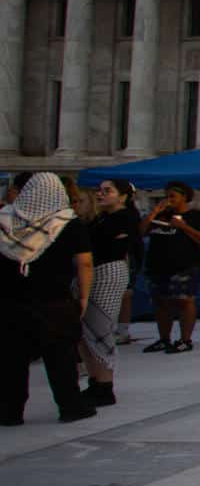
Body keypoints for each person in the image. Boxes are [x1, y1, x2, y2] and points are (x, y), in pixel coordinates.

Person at [0, 173, 97, 424]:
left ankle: (10, 411)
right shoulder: (66, 222)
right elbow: (84, 262)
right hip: (55, 301)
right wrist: (84, 296)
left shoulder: (5, 219)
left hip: (11, 300)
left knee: (12, 359)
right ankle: (70, 406)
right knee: (61, 356)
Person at [79, 178, 141, 406]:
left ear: (122, 195)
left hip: (108, 272)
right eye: (100, 190)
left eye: (108, 191)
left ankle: (104, 384)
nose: (101, 194)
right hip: (95, 272)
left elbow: (110, 246)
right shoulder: (101, 218)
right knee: (87, 331)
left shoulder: (123, 218)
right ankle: (96, 381)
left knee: (101, 328)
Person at [141, 181, 200, 353]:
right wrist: (154, 212)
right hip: (158, 265)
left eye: (172, 196)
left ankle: (185, 339)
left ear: (184, 198)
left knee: (184, 300)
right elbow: (141, 231)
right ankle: (164, 339)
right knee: (160, 301)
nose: (168, 199)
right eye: (166, 196)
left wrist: (183, 226)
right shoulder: (161, 215)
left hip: (186, 264)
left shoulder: (195, 216)